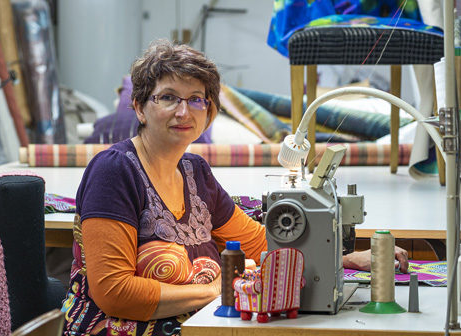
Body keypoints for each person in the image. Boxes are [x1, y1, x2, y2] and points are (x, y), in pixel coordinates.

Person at [61, 39, 408, 336]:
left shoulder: (195, 172)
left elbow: (261, 245)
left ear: (209, 112)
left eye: (196, 99)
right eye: (168, 97)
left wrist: (346, 260)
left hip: (198, 323)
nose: (184, 111)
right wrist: (221, 290)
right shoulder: (115, 170)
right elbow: (114, 293)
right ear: (139, 107)